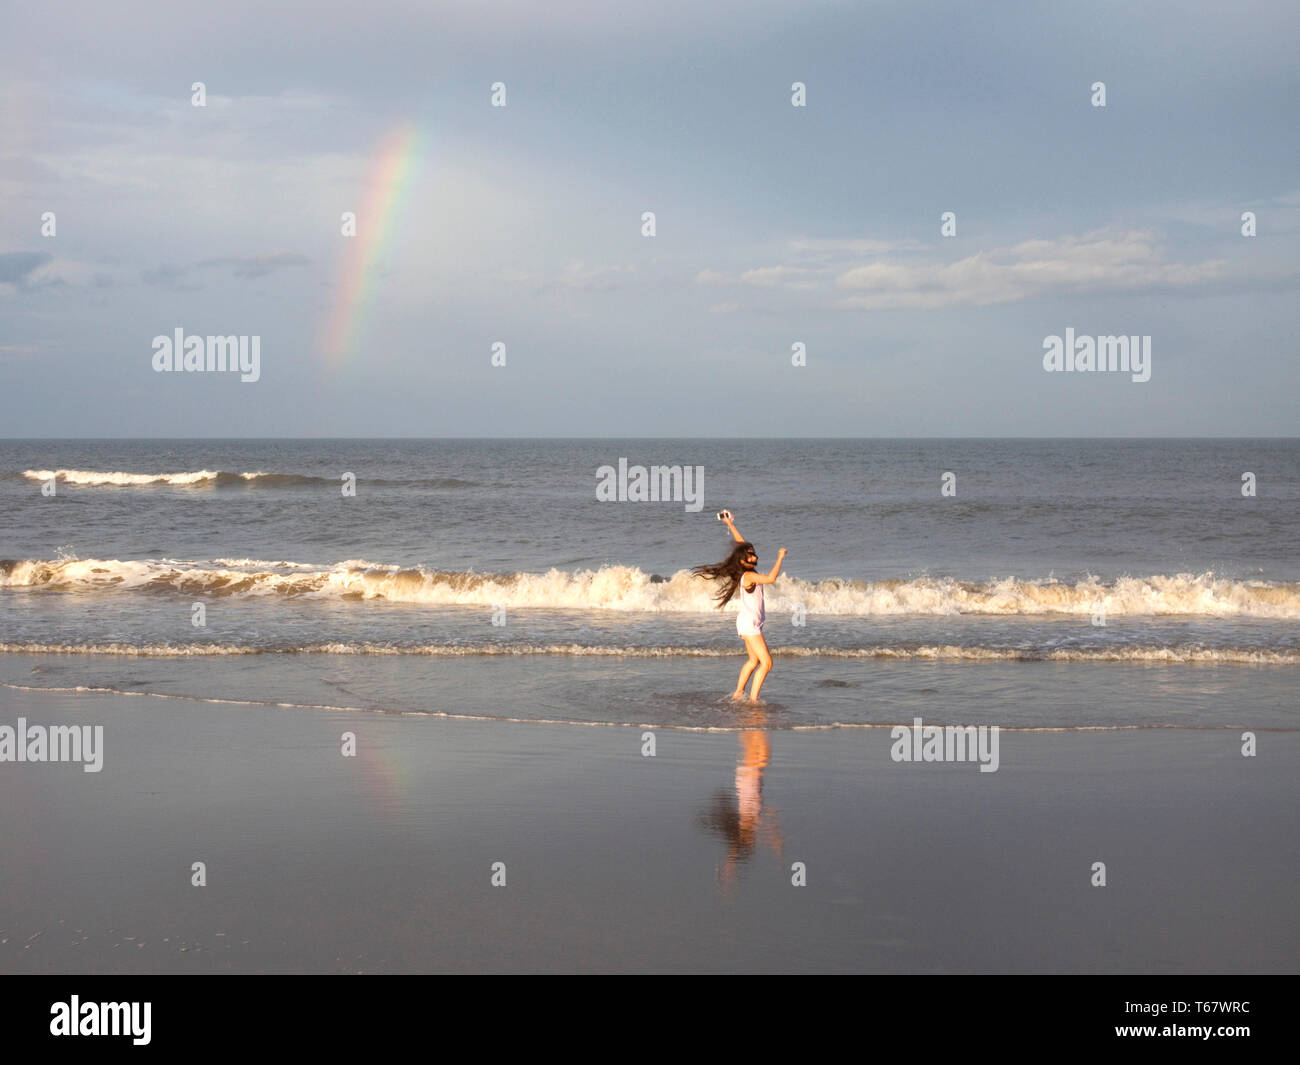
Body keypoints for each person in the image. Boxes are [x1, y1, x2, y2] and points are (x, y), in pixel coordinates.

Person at [692, 510, 787, 702]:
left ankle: (738, 693)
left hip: (748, 622)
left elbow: (741, 544)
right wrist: (780, 557)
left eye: (753, 553)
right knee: (766, 663)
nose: (754, 555)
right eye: (750, 555)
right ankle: (753, 700)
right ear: (743, 561)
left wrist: (730, 525)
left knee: (753, 661)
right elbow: (771, 578)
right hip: (749, 624)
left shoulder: (746, 571)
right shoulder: (749, 576)